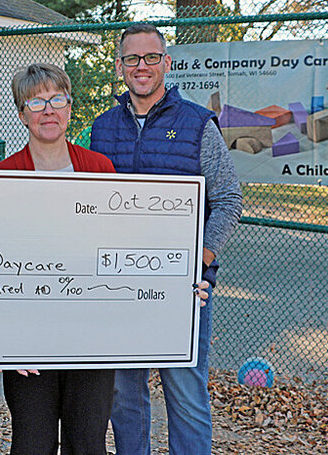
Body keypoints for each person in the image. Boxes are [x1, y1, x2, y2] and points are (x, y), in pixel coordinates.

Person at [90, 24, 242, 455]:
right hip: (119, 288)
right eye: (133, 58)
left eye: (151, 57)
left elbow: (229, 199)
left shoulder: (197, 124)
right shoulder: (102, 129)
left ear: (166, 63)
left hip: (184, 289)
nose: (142, 66)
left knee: (187, 397)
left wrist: (201, 259)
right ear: (120, 66)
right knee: (123, 397)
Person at [0, 63, 116, 455]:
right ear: (21, 113)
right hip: (29, 339)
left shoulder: (101, 169)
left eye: (57, 100)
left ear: (69, 107)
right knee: (32, 443)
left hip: (91, 334)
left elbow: (117, 249)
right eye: (36, 101)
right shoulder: (2, 176)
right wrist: (5, 335)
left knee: (87, 443)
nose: (48, 110)